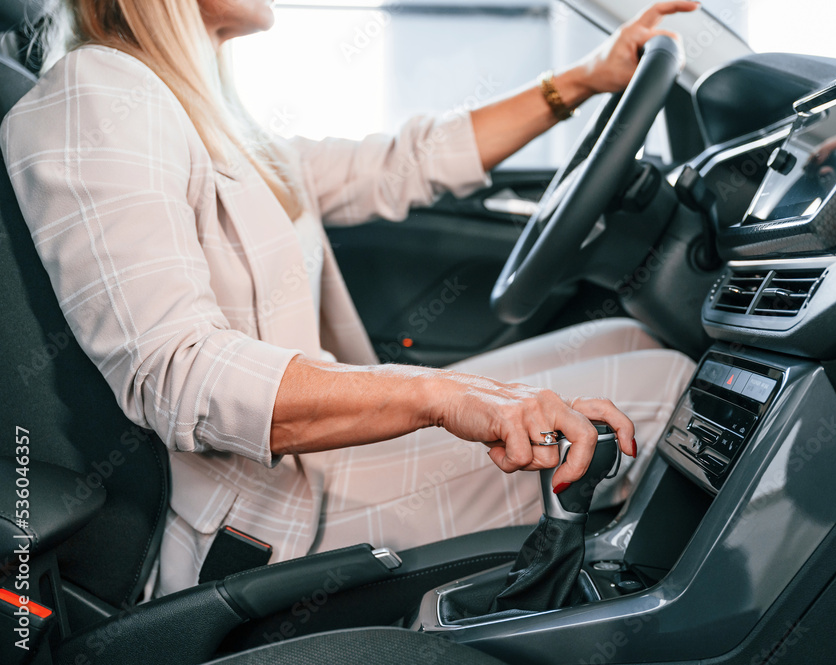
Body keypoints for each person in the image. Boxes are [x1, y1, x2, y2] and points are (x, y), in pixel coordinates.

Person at [0, 0, 699, 597]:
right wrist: (439, 396)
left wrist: (579, 81)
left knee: (632, 343)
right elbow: (179, 372)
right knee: (670, 386)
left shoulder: (200, 111)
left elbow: (399, 163)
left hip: (308, 475)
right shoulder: (95, 93)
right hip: (263, 522)